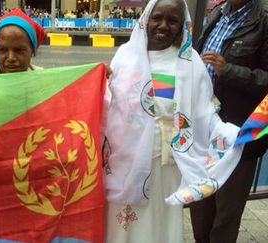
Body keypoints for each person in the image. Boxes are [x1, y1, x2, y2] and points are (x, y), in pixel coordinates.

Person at [103, 0, 246, 242]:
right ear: (146, 18)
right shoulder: (125, 56)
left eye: (172, 21)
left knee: (160, 221)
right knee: (123, 225)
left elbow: (205, 112)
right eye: (157, 18)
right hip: (126, 162)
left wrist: (230, 134)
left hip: (165, 164)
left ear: (182, 25)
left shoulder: (191, 62)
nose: (163, 26)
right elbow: (109, 105)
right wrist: (101, 82)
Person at [189, 0, 268, 242]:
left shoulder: (263, 20)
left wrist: (229, 70)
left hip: (238, 139)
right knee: (199, 207)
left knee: (225, 216)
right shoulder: (217, 15)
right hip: (204, 133)